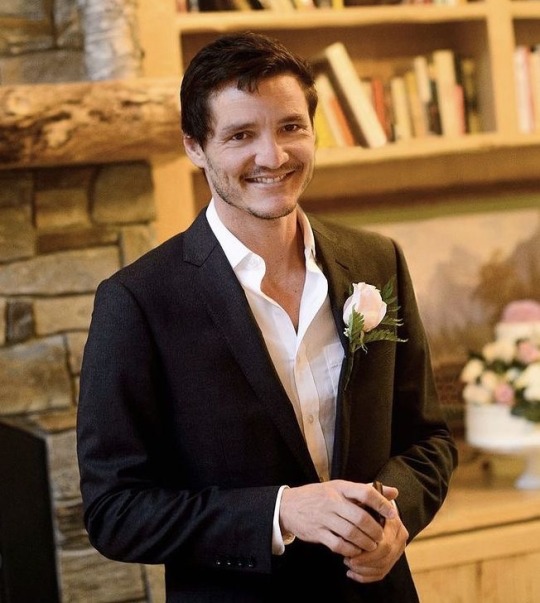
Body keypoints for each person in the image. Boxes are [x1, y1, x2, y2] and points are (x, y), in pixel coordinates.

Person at [77, 32, 457, 602]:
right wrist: (280, 512)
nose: (273, 157)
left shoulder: (378, 261)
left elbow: (429, 439)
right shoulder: (136, 301)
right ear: (194, 147)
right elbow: (115, 511)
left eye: (290, 127)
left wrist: (389, 515)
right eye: (240, 135)